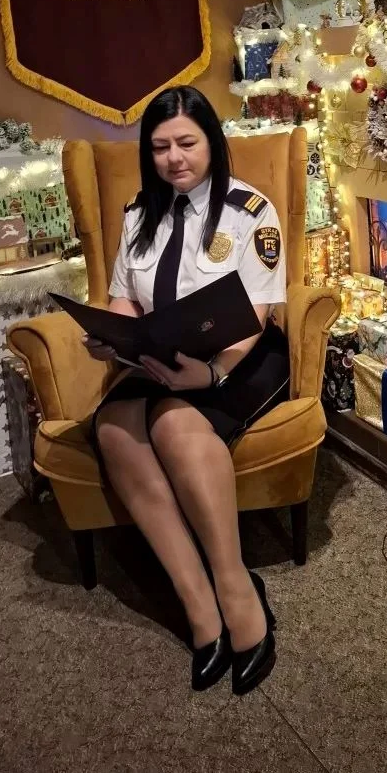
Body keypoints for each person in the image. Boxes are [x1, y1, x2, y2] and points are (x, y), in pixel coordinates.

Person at [86, 85, 288, 694]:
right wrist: (111, 336)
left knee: (174, 422)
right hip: (160, 356)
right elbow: (125, 296)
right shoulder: (138, 214)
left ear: (212, 143)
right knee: (113, 429)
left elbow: (256, 314)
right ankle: (197, 601)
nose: (174, 158)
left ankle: (236, 587)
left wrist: (212, 374)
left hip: (239, 357)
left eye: (186, 143)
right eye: (159, 147)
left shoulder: (250, 212)